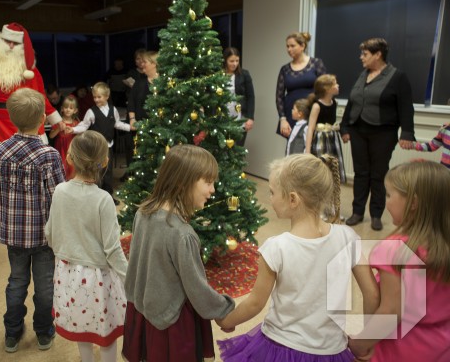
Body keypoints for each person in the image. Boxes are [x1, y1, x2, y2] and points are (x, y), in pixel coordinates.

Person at [216, 154, 379, 362]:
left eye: (273, 192)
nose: (270, 198)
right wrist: (367, 341)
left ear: (293, 199)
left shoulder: (277, 247)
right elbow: (372, 294)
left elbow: (255, 303)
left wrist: (228, 321)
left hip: (280, 348)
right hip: (331, 350)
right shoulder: (348, 237)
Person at [122, 145, 235, 362]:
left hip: (143, 310)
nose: (213, 190)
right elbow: (197, 289)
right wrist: (224, 309)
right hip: (172, 321)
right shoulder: (183, 235)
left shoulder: (142, 213)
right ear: (184, 182)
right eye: (208, 182)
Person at [0, 88, 65, 353]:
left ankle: (12, 333)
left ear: (11, 118)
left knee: (16, 282)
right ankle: (43, 331)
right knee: (45, 285)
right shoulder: (49, 155)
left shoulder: (1, 151)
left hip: (13, 235)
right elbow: (59, 197)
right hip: (43, 236)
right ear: (42, 118)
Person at [348, 161, 450, 361]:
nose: (386, 202)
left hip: (400, 351)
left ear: (413, 203)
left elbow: (391, 312)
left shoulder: (395, 250)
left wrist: (359, 344)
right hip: (441, 347)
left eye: (388, 195)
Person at [45, 130, 128, 362]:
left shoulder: (60, 191)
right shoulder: (104, 200)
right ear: (105, 162)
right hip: (97, 279)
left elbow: (50, 233)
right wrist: (131, 278)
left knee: (83, 330)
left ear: (69, 158)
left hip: (68, 273)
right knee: (106, 335)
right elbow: (112, 250)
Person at [0, 23, 63, 173]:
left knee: (33, 173)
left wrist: (57, 121)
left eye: (16, 43)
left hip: (30, 125)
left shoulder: (31, 70)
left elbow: (41, 98)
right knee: (2, 173)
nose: (11, 46)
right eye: (7, 41)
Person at [340, 38, 415, 231]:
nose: (361, 57)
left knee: (378, 174)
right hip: (358, 130)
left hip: (383, 132)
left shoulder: (397, 76)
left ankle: (376, 215)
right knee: (360, 173)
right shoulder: (362, 75)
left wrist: (407, 132)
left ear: (378, 54)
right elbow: (352, 102)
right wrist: (344, 127)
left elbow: (406, 106)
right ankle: (357, 212)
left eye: (364, 54)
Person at [69, 82, 133, 199]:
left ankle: (108, 196)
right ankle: (95, 196)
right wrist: (72, 129)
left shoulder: (113, 110)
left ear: (107, 96)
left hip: (108, 147)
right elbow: (84, 126)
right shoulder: (91, 112)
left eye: (99, 97)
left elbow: (117, 123)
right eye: (94, 97)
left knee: (108, 172)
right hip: (96, 149)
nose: (96, 100)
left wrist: (129, 127)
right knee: (97, 171)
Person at [275, 32, 326, 138]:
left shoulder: (316, 63)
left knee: (310, 149)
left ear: (302, 46)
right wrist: (283, 119)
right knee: (294, 149)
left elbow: (325, 89)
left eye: (292, 46)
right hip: (292, 115)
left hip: (312, 113)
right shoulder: (285, 69)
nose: (289, 49)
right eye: (287, 46)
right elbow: (279, 97)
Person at [305, 74, 346, 182]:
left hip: (332, 139)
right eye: (335, 83)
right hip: (320, 140)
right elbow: (310, 128)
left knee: (332, 168)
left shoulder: (335, 103)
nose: (338, 85)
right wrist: (307, 151)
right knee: (320, 169)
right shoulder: (317, 106)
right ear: (327, 89)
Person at [223, 47, 255, 146]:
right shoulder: (219, 75)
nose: (234, 64)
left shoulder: (244, 74)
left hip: (240, 115)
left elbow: (251, 97)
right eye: (231, 61)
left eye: (237, 61)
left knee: (238, 147)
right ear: (225, 60)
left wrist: (250, 117)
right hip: (223, 115)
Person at [48, 95, 80, 179]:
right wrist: (59, 128)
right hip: (60, 149)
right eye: (66, 107)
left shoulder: (76, 123)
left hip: (72, 150)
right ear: (62, 109)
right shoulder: (58, 122)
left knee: (72, 168)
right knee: (62, 168)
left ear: (75, 110)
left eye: (71, 108)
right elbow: (51, 136)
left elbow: (80, 137)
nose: (68, 109)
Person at [127, 51, 158, 129]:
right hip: (140, 128)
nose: (142, 64)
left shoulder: (165, 83)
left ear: (154, 64)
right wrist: (132, 119)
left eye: (144, 62)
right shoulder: (139, 83)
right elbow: (131, 102)